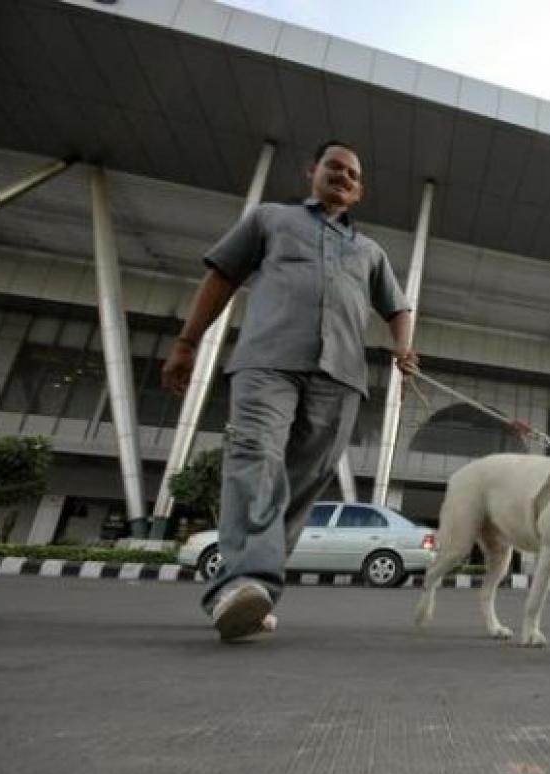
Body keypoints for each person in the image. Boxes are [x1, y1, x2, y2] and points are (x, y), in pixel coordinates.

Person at [161, 140, 417, 642]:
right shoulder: (270, 220)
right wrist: (187, 342)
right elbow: (222, 276)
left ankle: (255, 596)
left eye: (352, 173)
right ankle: (241, 585)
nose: (342, 176)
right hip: (267, 363)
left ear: (359, 190)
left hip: (340, 379)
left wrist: (403, 349)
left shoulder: (370, 252)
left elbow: (398, 307)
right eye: (334, 167)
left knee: (300, 488)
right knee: (255, 458)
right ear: (312, 172)